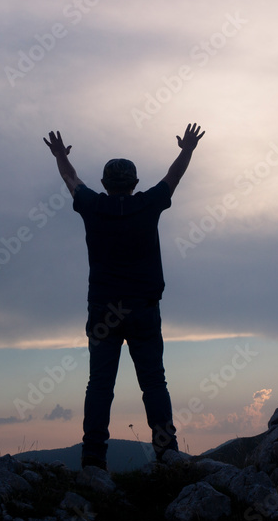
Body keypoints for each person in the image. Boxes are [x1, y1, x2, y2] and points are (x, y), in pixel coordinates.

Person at [43, 123, 205, 470]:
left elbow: (72, 180)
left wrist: (60, 156)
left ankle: (93, 458)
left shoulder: (92, 205)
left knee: (100, 385)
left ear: (104, 184)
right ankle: (166, 452)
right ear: (134, 184)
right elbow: (172, 177)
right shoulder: (147, 205)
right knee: (153, 382)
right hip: (144, 309)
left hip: (103, 310)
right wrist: (187, 149)